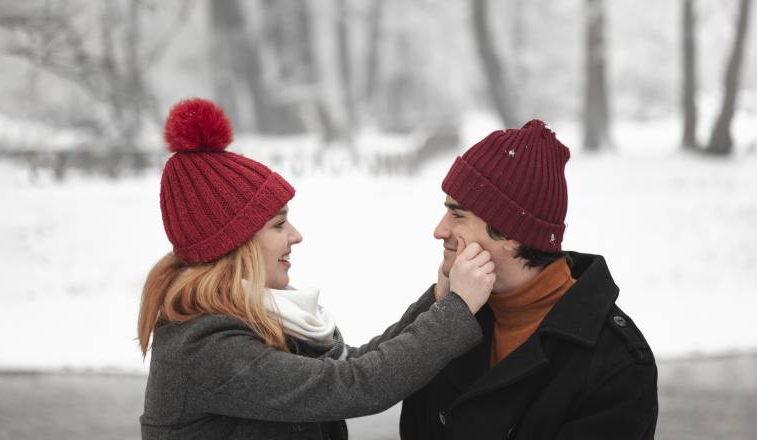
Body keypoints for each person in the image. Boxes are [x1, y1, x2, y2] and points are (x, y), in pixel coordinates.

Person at [137, 98, 496, 440]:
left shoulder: (257, 318)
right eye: (278, 226)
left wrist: (438, 300)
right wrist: (456, 312)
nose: (296, 236)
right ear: (235, 244)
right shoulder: (206, 351)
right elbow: (352, 385)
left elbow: (353, 364)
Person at [400, 120, 658, 440]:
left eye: (458, 214)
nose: (439, 230)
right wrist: (441, 309)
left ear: (509, 232)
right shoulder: (453, 317)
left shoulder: (615, 365)